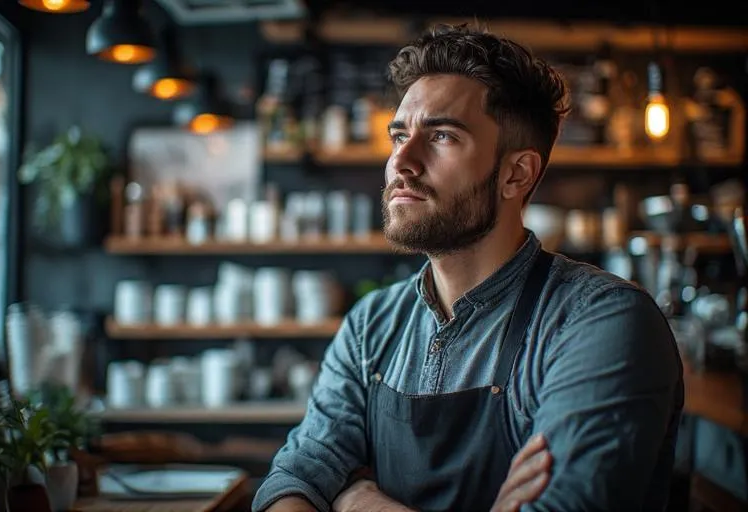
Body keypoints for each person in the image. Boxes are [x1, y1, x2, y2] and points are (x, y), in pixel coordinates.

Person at [252, 23, 684, 512]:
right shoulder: (371, 324)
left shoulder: (601, 322)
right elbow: (291, 481)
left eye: (441, 136)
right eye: (399, 136)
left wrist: (355, 500)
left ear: (516, 174)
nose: (402, 163)